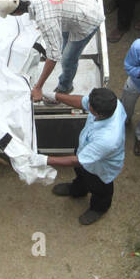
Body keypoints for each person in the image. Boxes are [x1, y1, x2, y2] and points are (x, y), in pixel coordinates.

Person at [45, 86, 126, 225]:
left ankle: (99, 208)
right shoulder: (111, 104)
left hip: (100, 167)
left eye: (90, 106)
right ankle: (78, 189)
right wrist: (52, 95)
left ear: (98, 113)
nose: (86, 104)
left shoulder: (108, 138)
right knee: (81, 174)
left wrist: (43, 160)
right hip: (86, 148)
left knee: (100, 188)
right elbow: (81, 101)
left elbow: (77, 161)